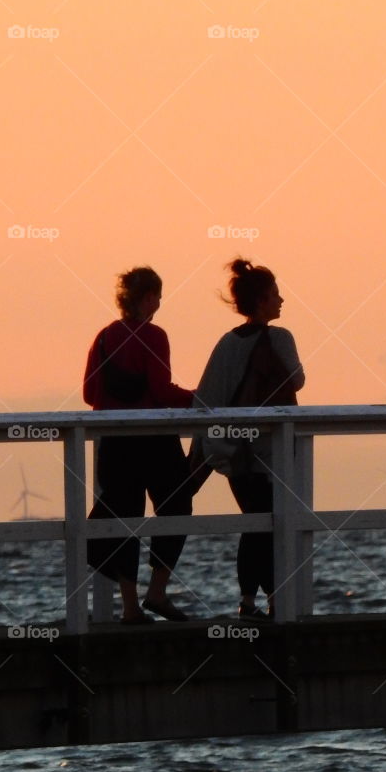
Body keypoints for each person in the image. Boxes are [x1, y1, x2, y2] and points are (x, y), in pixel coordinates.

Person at [192, 261, 305, 619]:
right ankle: (272, 602)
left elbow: (206, 397)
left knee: (254, 524)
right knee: (269, 525)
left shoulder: (226, 343)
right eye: (274, 295)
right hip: (268, 450)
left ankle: (248, 601)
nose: (281, 300)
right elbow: (297, 380)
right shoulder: (279, 338)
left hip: (232, 451)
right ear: (260, 301)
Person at [84, 266, 195, 624]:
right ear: (148, 297)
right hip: (153, 441)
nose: (160, 302)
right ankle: (157, 592)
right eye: (158, 296)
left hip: (114, 443)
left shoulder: (103, 338)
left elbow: (89, 393)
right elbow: (163, 392)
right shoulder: (154, 335)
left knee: (123, 518)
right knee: (177, 504)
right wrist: (197, 398)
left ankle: (130, 606)